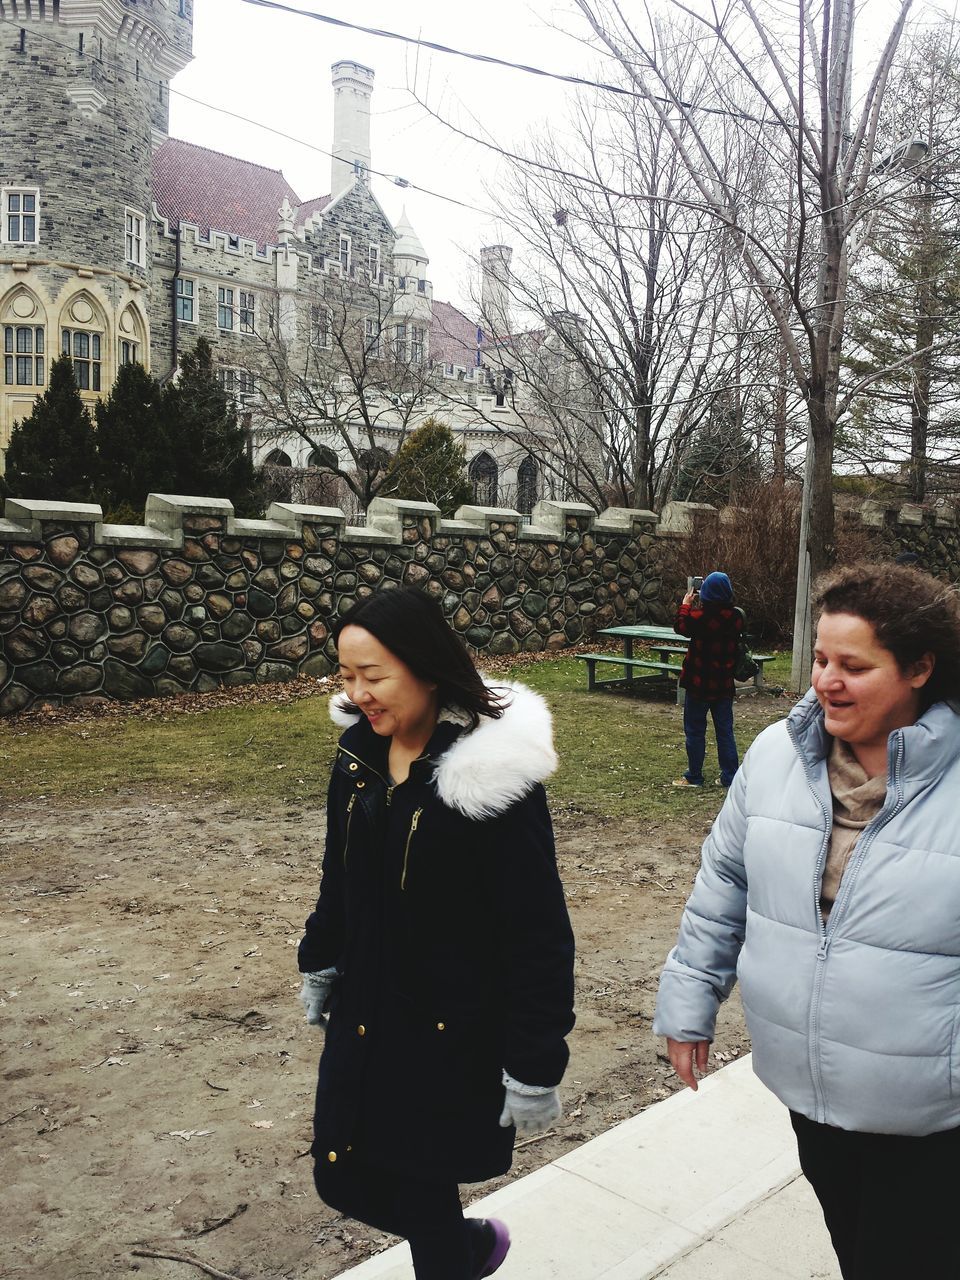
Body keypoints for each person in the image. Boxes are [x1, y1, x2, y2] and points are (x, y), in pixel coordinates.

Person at [653, 561, 960, 1279]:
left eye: (853, 665)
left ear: (919, 668)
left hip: (931, 1113)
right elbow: (725, 883)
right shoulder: (775, 759)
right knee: (856, 1249)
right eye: (821, 658)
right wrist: (689, 1002)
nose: (825, 680)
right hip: (811, 1090)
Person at [298, 587, 576, 1280]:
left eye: (374, 676)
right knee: (340, 1173)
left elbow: (538, 929)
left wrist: (534, 1061)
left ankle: (455, 1251)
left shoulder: (487, 781)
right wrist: (321, 957)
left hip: (448, 1029)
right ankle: (466, 1245)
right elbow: (340, 870)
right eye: (347, 675)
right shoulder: (358, 757)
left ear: (425, 668)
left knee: (420, 1184)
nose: (357, 693)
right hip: (366, 1008)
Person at [671, 570, 743, 788]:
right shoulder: (737, 617)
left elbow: (680, 626)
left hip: (698, 684)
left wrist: (686, 604)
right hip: (723, 685)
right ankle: (730, 775)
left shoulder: (697, 618)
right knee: (725, 731)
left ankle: (694, 775)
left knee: (695, 731)